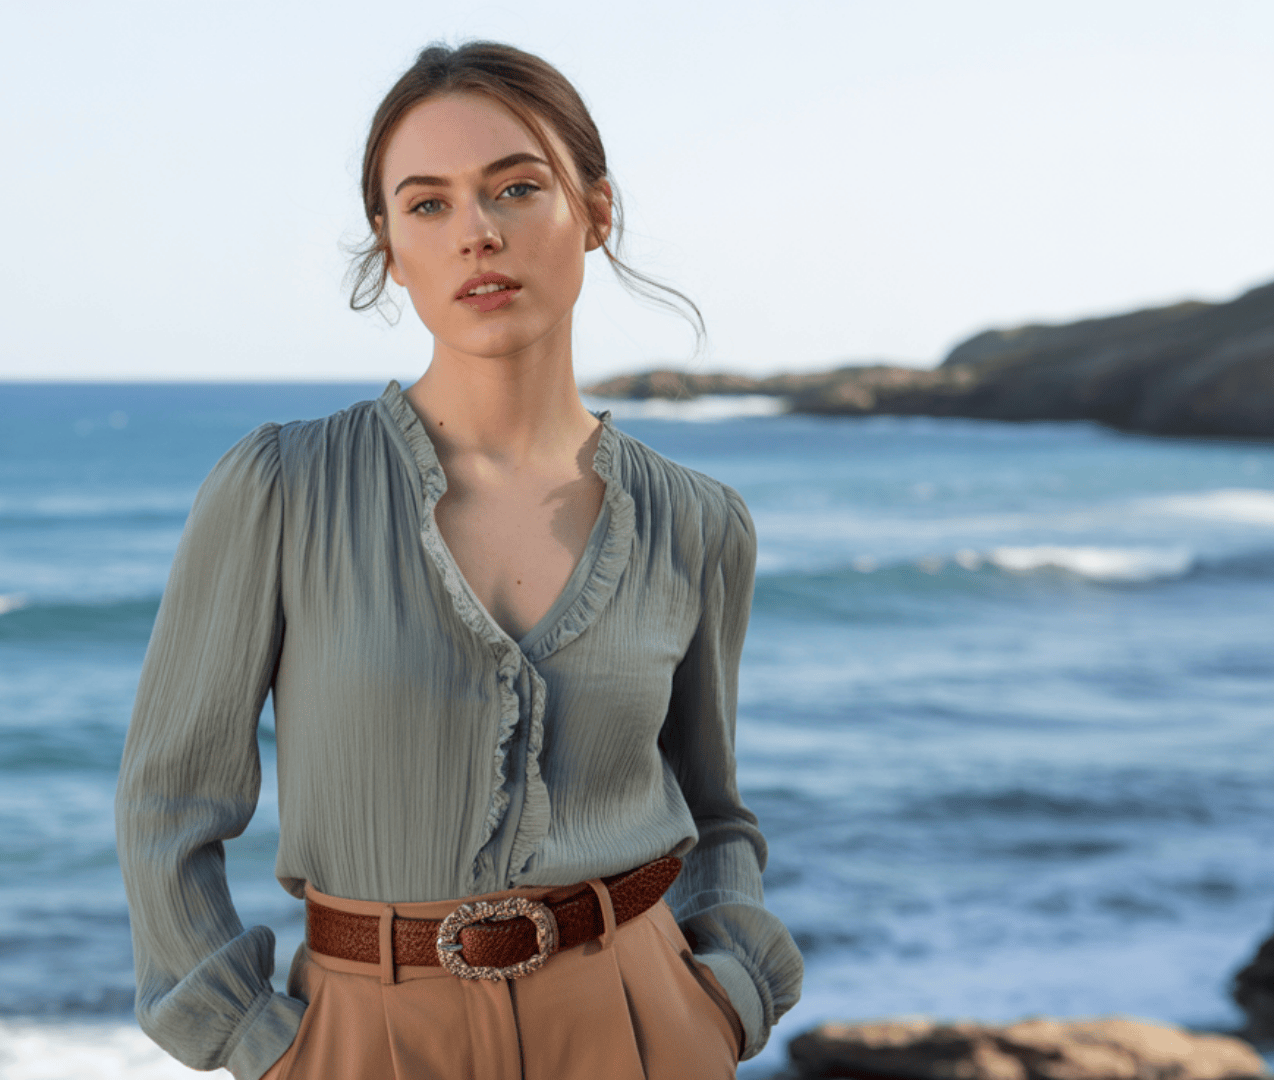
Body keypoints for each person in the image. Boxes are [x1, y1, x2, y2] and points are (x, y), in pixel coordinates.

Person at [115, 40, 803, 1080]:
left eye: (516, 188)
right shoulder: (281, 488)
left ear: (597, 212)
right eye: (428, 204)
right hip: (364, 1039)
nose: (477, 232)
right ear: (390, 244)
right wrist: (261, 1045)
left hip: (644, 1024)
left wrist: (727, 997)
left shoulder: (699, 523)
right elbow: (168, 804)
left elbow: (712, 809)